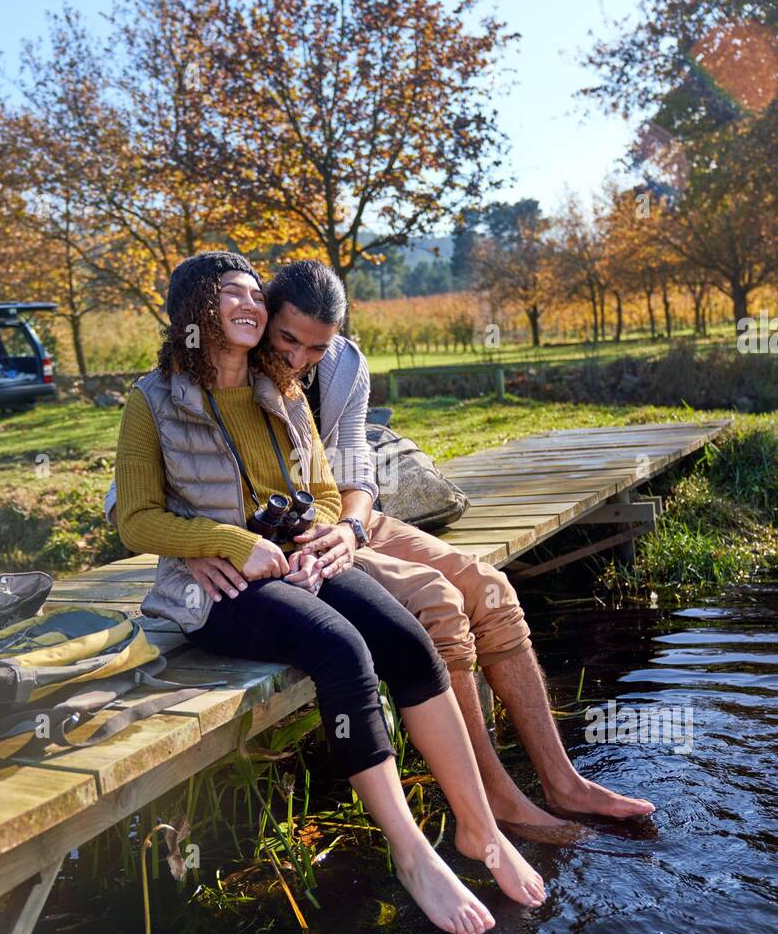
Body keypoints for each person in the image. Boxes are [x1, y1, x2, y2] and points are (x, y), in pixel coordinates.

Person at [108, 259, 654, 833]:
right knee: (438, 601)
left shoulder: (343, 367)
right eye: (287, 339)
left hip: (342, 523)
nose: (298, 358)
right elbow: (131, 503)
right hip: (273, 547)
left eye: (315, 347)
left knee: (490, 587)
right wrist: (204, 542)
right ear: (263, 316)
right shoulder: (195, 379)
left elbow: (352, 467)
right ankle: (496, 799)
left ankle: (561, 782)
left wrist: (350, 529)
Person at [113, 250, 547, 934]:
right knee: (342, 650)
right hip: (216, 591)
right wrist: (222, 544)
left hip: (293, 564)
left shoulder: (278, 389)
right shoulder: (151, 401)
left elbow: (321, 485)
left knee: (405, 638)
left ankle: (478, 828)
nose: (250, 302)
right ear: (196, 306)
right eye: (232, 293)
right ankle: (411, 854)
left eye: (256, 292)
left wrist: (318, 534)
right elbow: (131, 517)